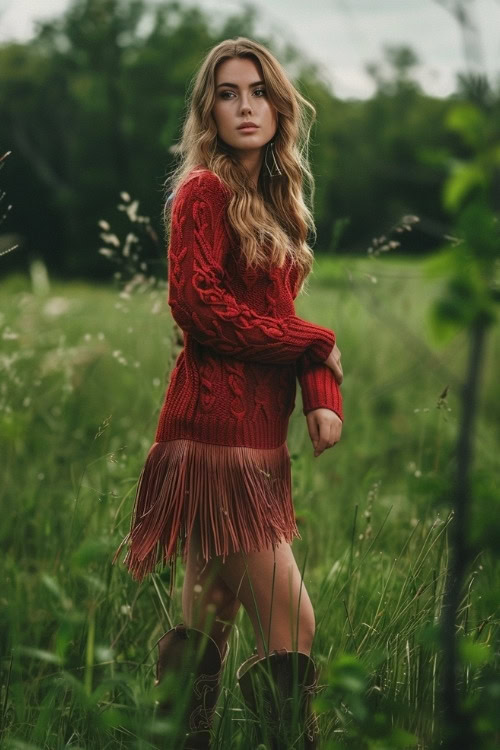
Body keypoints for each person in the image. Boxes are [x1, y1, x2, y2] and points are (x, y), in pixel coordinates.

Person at [112, 36, 343, 750]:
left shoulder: (277, 202)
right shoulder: (204, 192)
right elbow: (200, 308)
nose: (245, 106)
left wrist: (316, 382)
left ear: (279, 107)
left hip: (255, 435)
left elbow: (281, 323)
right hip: (217, 436)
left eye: (257, 92)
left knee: (208, 618)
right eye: (227, 93)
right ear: (208, 109)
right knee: (292, 625)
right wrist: (314, 349)